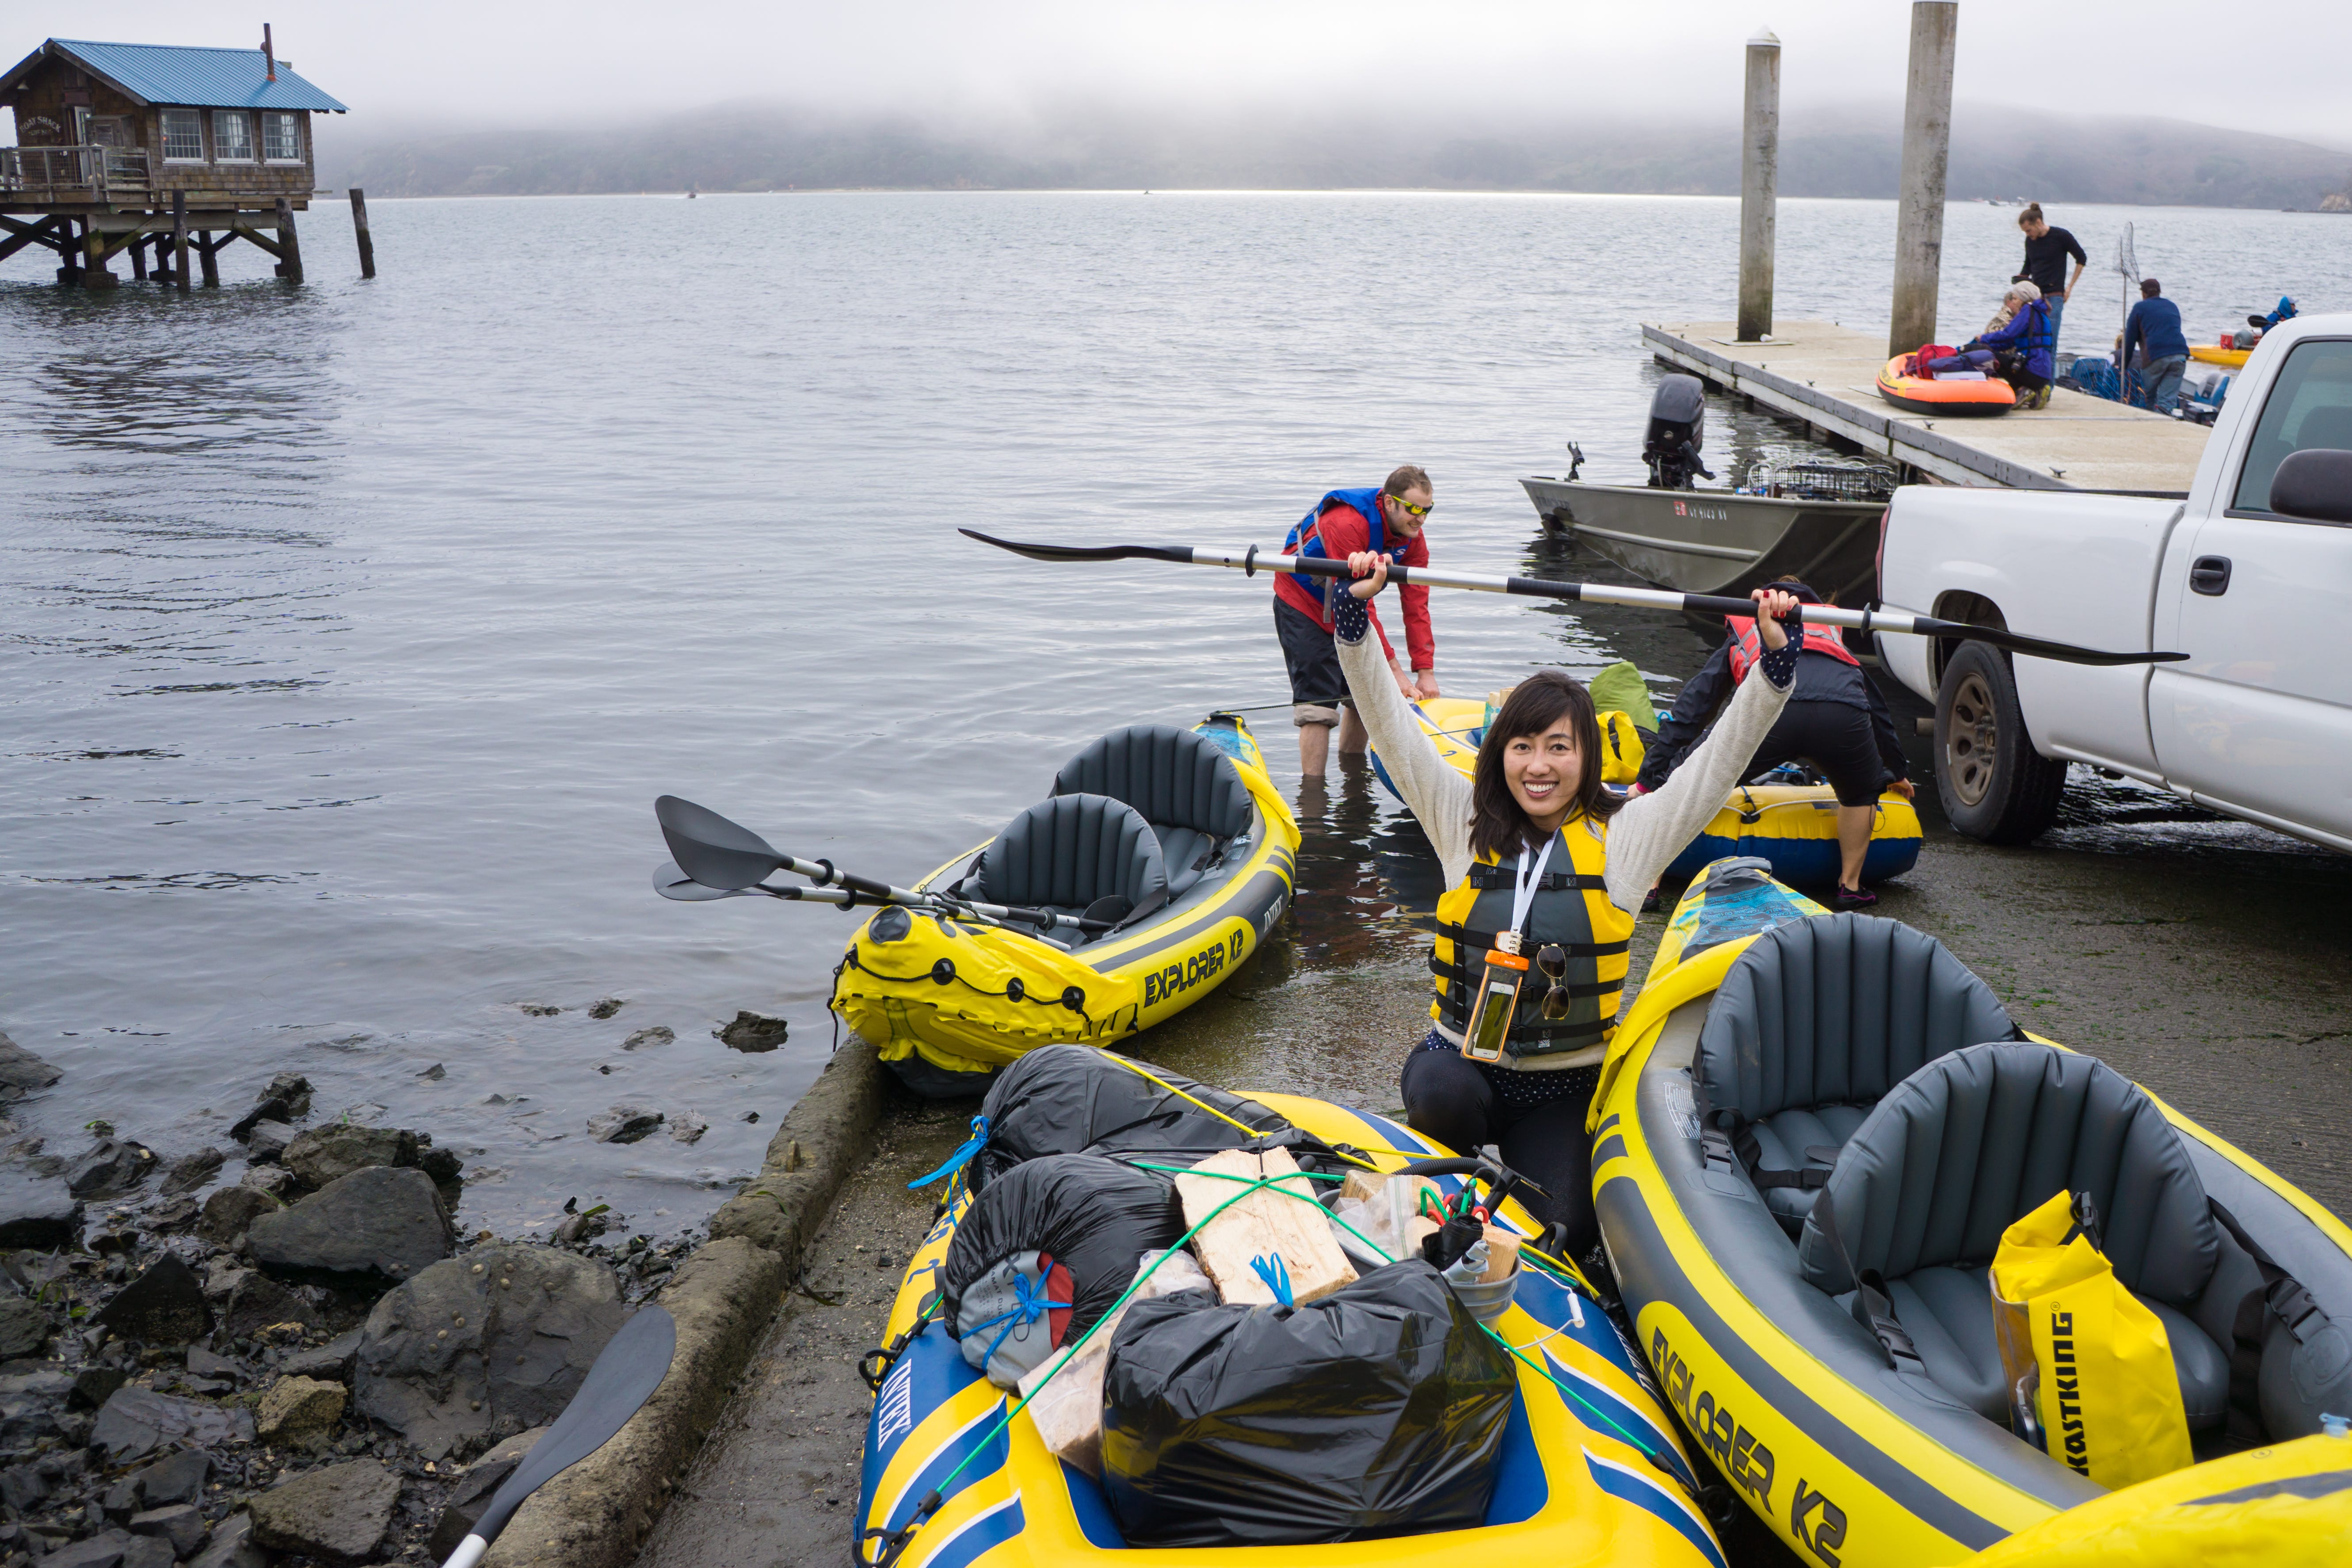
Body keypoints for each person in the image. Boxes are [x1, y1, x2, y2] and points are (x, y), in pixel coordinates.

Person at [1332, 549, 1803, 1260]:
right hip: (1462, 1064)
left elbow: (1714, 766)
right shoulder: (1459, 816)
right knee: (1437, 1090)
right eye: (1522, 746)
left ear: (1587, 757)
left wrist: (1770, 672)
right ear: (1500, 755)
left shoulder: (1630, 837)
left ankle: (1520, 1187)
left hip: (1563, 1086)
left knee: (1566, 1234)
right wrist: (1354, 619)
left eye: (1558, 746)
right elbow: (1392, 728)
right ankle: (1453, 1172)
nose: (1539, 765)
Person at [1634, 580, 1914, 909]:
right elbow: (1877, 710)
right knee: (1862, 792)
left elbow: (1693, 707)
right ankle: (1850, 886)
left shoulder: (1747, 625)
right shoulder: (1829, 633)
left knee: (1693, 775)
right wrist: (1895, 771)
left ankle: (1648, 882)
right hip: (1842, 715)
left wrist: (1651, 776)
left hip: (1775, 709)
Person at [1273, 466, 1437, 775]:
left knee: (1366, 695)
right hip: (1303, 604)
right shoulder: (1347, 522)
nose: (1421, 518)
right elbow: (1360, 601)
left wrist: (1425, 672)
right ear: (1389, 503)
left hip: (1349, 607)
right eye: (1414, 509)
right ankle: (1313, 799)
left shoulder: (1414, 539)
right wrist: (1396, 670)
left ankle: (1353, 779)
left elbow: (1417, 606)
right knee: (1318, 705)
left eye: (1428, 510)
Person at [1967, 281, 2056, 408]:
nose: (2013, 302)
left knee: (1991, 358)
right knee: (1994, 354)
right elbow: (2010, 343)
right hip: (2043, 376)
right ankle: (2034, 391)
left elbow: (2008, 334)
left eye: (2015, 298)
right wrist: (1988, 347)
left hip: (2033, 372)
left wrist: (1984, 338)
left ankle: (2022, 389)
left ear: (2024, 298)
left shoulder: (2028, 309)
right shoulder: (2041, 314)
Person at [2014, 203, 2087, 351]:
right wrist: (2020, 282)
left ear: (2039, 223)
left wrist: (2070, 288)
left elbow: (2082, 258)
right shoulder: (2030, 241)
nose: (2028, 234)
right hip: (2036, 298)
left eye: (2029, 230)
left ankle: (2049, 374)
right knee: (2034, 343)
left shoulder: (2061, 236)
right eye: (2025, 232)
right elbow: (2028, 266)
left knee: (2049, 344)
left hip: (2055, 297)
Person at [2124, 278, 2191, 415]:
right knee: (2167, 402)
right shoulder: (2172, 306)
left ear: (2143, 294)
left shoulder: (2139, 308)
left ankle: (2149, 428)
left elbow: (2129, 340)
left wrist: (2123, 365)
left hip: (2155, 357)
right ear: (2160, 292)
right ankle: (2164, 427)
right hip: (2180, 355)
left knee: (2147, 396)